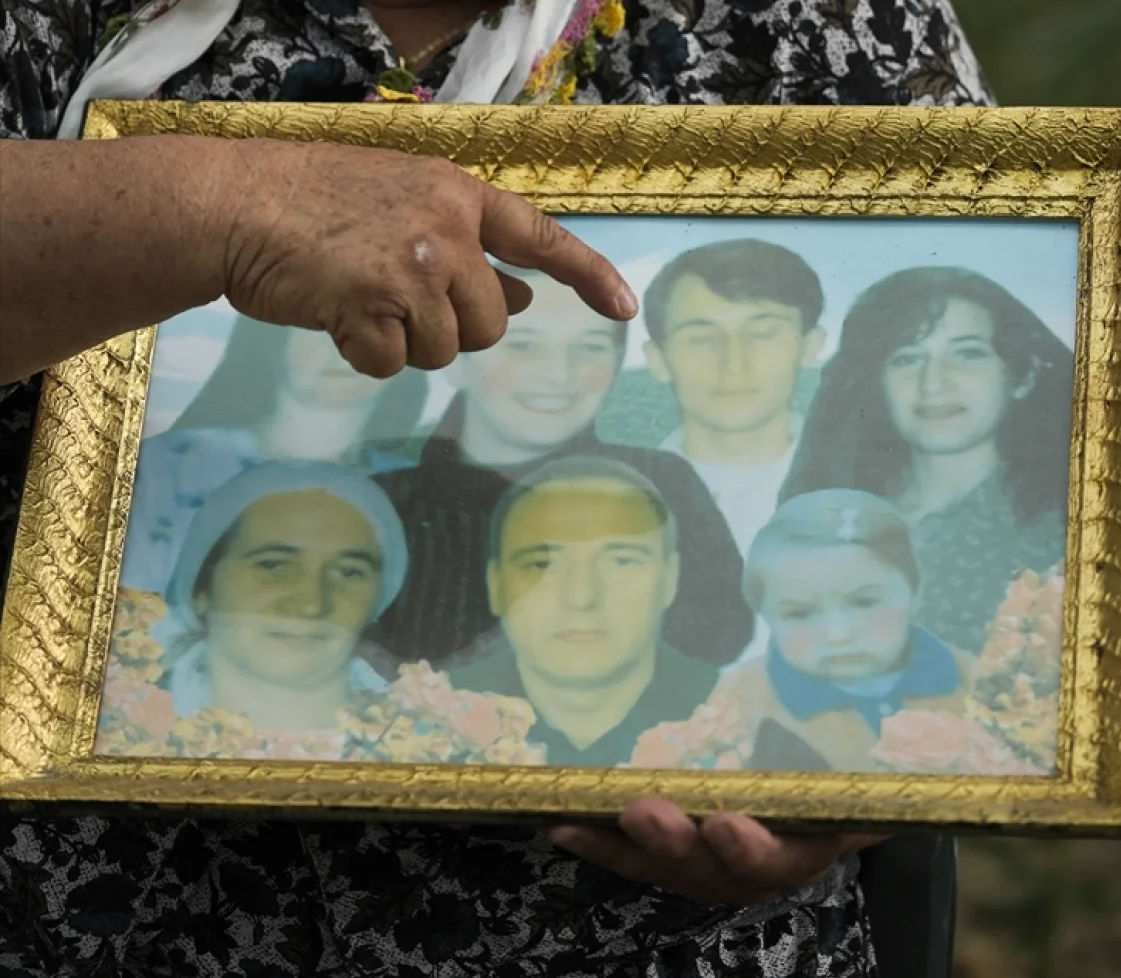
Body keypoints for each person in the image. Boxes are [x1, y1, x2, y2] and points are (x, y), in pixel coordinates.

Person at [0, 0, 989, 978]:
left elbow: (960, 484)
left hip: (634, 956)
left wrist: (848, 781)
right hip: (99, 925)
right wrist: (216, 211)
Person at [375, 268, 751, 667]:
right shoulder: (380, 507)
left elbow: (718, 640)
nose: (559, 375)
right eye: (522, 345)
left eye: (590, 347)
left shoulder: (660, 485)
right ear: (456, 362)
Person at [782, 267, 1071, 652]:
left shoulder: (1059, 531)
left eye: (967, 354)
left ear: (1023, 376)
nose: (933, 383)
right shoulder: (830, 516)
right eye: (906, 359)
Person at [102, 462, 408, 746]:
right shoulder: (112, 727)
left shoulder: (426, 740)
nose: (310, 604)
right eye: (273, 566)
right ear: (202, 587)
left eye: (349, 572)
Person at [121, 315, 427, 594]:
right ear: (271, 342)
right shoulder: (164, 467)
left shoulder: (420, 494)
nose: (344, 349)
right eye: (319, 328)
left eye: (375, 327)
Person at [450, 458, 718, 765]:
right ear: (495, 586)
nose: (581, 597)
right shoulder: (430, 716)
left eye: (621, 561)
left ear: (670, 579)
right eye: (542, 564)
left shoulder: (737, 713)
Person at [726, 490, 972, 772]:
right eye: (800, 613)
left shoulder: (978, 686)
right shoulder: (740, 704)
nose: (838, 635)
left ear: (915, 591)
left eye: (865, 602)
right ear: (765, 613)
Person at [642, 239, 825, 558]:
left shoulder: (871, 484)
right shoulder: (620, 498)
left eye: (763, 333)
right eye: (700, 338)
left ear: (809, 346)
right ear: (658, 359)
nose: (734, 364)